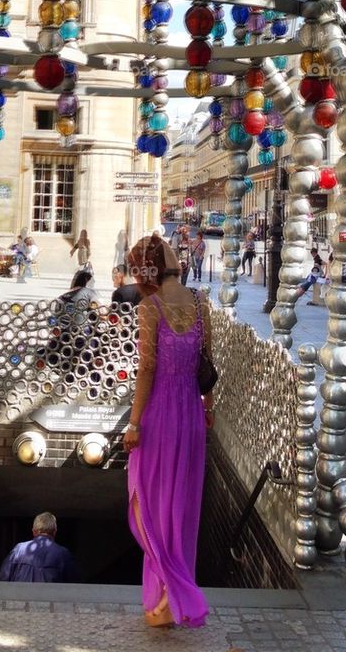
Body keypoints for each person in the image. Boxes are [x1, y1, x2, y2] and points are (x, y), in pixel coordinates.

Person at [123, 235, 210, 630]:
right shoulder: (198, 302)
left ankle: (168, 594)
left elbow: (146, 370)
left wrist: (134, 422)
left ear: (147, 269)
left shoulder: (150, 306)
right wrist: (208, 409)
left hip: (159, 414)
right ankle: (169, 600)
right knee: (181, 505)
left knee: (146, 501)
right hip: (191, 413)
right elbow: (206, 364)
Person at [0, 512, 80, 582]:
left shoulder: (19, 549)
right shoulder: (64, 554)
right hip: (50, 600)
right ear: (54, 532)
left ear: (34, 531)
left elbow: (3, 579)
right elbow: (75, 586)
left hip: (19, 599)